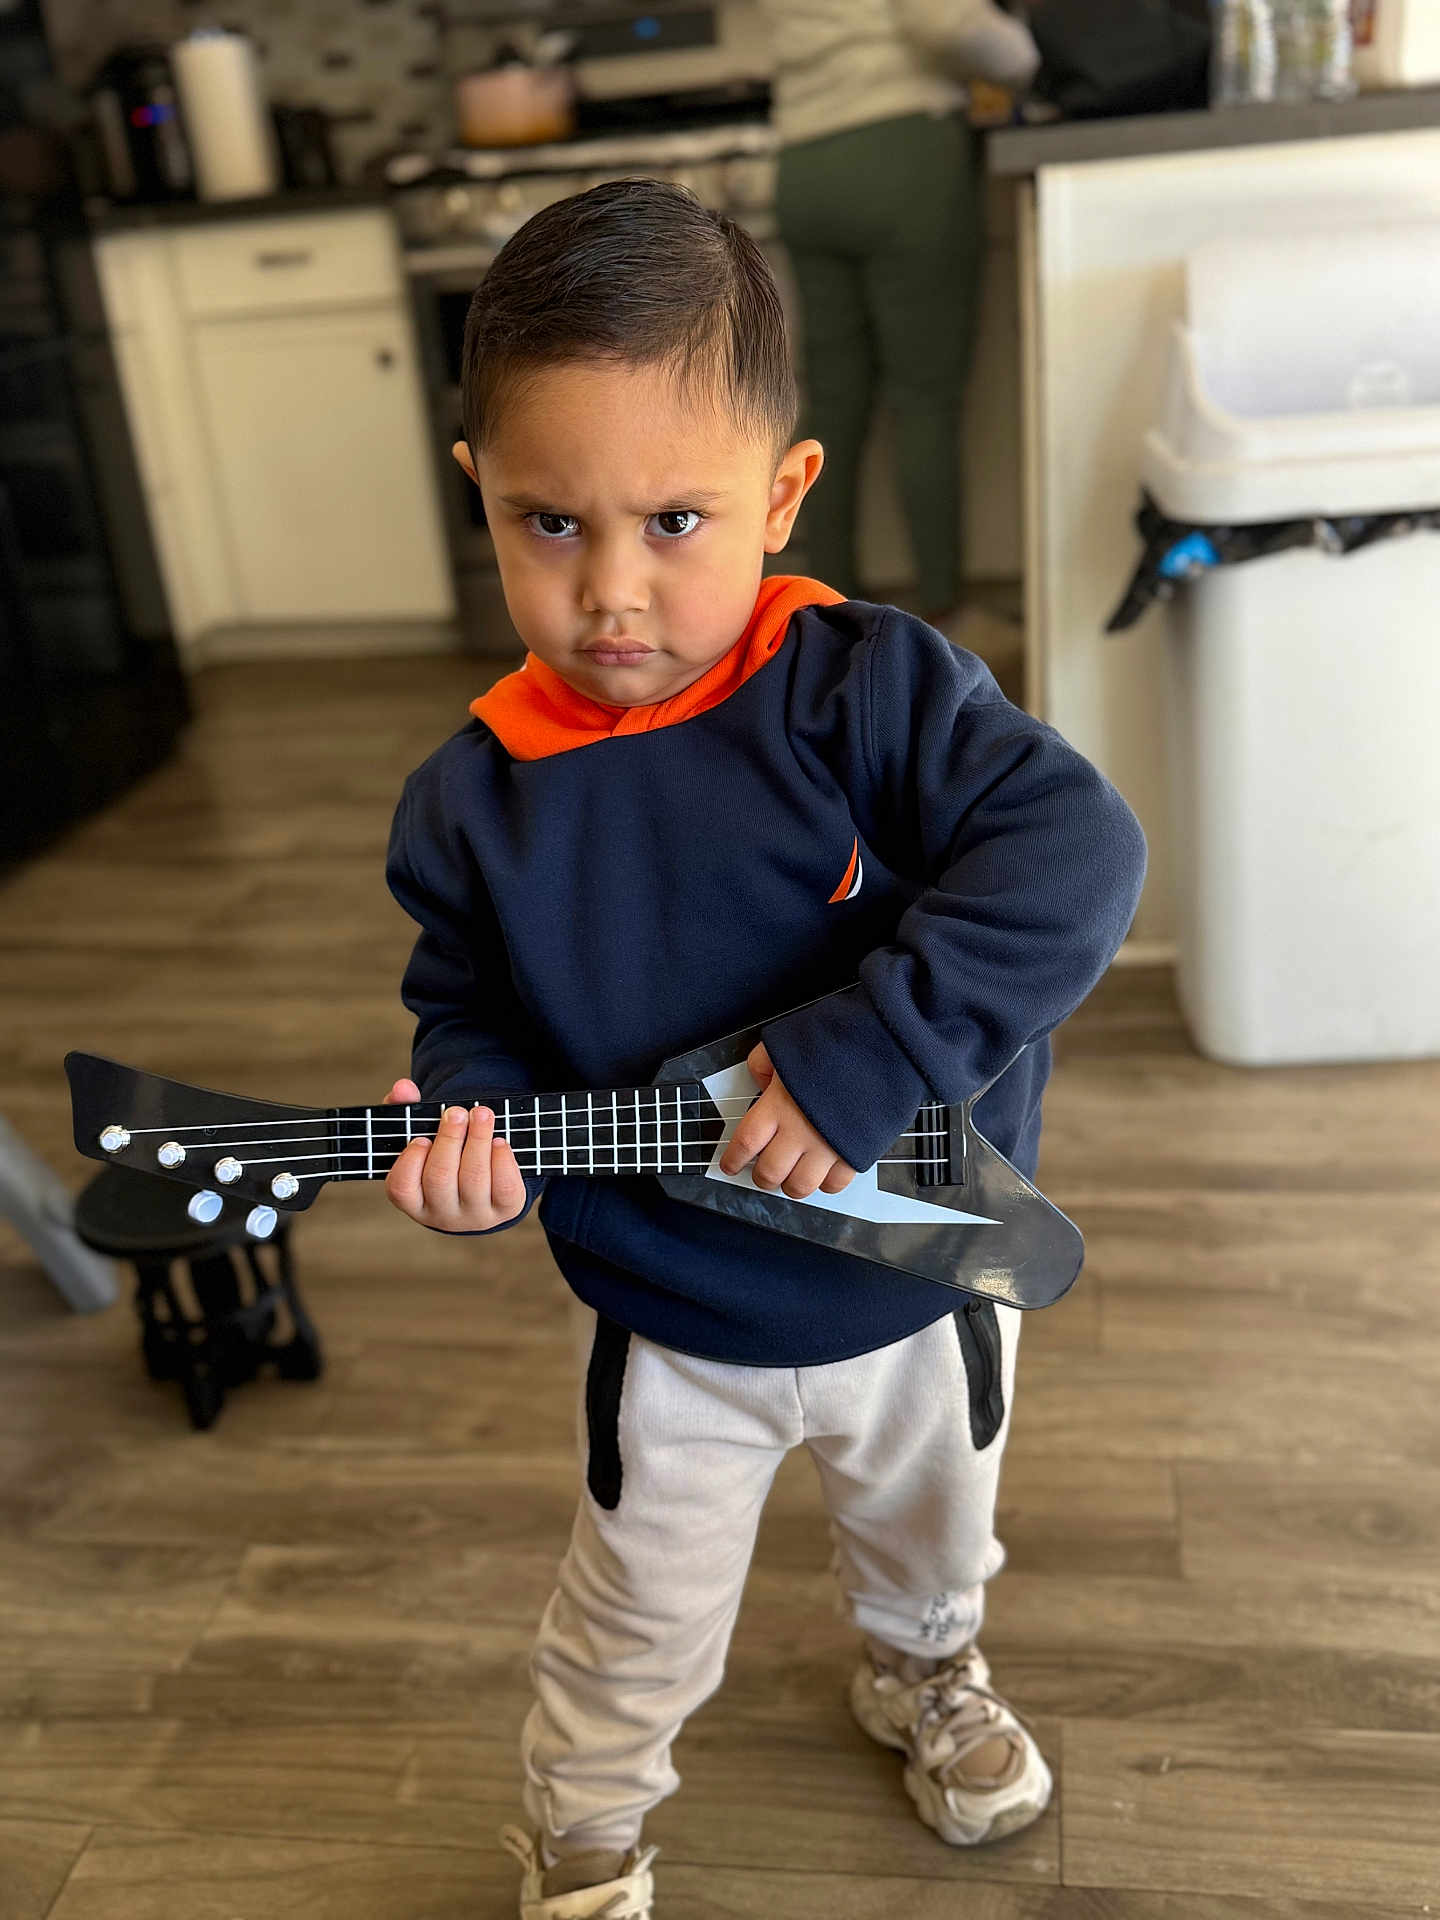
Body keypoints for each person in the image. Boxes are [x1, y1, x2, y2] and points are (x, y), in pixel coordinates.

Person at [381, 178, 1146, 1920]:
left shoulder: (869, 689)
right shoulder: (469, 802)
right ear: (479, 499)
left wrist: (869, 1053)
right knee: (633, 1609)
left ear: (785, 491)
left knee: (934, 1541)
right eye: (548, 524)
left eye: (673, 518)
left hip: (924, 1289)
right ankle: (585, 1819)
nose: (613, 591)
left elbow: (1079, 857)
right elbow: (468, 1022)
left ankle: (924, 1670)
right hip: (679, 1319)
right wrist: (470, 1147)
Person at [758, 0, 1041, 623]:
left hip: (804, 165)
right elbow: (944, 21)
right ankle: (947, 615)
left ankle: (819, 616)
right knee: (925, 400)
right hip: (900, 155)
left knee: (832, 406)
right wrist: (1030, 55)